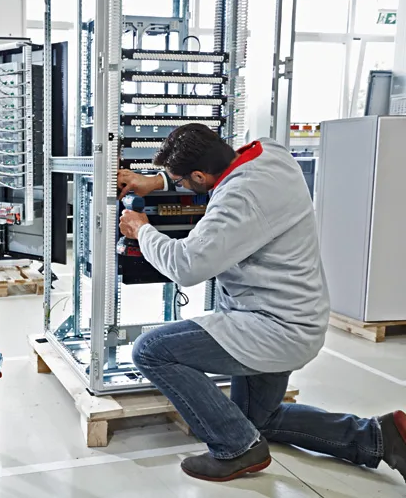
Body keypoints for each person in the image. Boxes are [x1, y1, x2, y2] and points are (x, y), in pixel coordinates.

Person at [117, 123, 406, 483]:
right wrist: (160, 181)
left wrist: (142, 229)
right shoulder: (270, 154)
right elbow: (211, 169)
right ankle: (378, 437)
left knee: (152, 350)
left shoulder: (240, 199)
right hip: (299, 315)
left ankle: (236, 449)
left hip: (271, 328)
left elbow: (186, 266)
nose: (185, 187)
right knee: (259, 419)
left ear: (200, 175)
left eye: (185, 181)